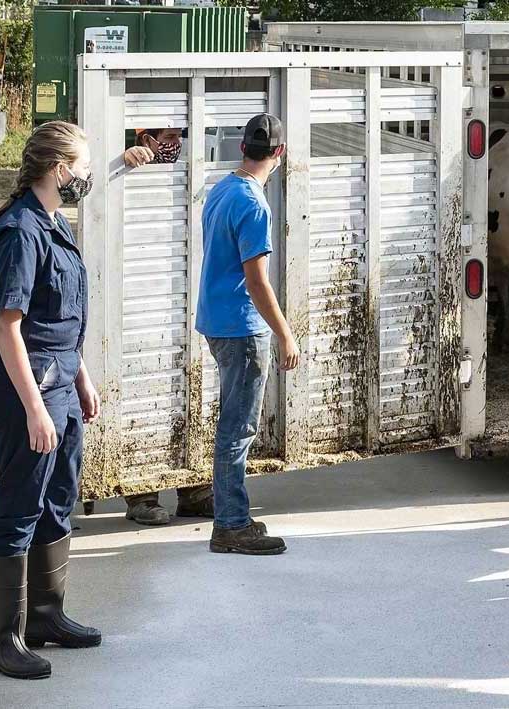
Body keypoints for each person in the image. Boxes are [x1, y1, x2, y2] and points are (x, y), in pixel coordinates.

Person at [0, 121, 102, 680]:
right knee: (19, 505)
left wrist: (81, 378)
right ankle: (3, 641)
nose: (86, 176)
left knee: (57, 496)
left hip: (60, 383)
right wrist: (33, 408)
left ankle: (45, 617)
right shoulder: (20, 232)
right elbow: (9, 327)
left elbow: (64, 319)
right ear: (59, 171)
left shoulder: (54, 223)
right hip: (28, 388)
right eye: (82, 165)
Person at [196, 113, 300, 555]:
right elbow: (256, 281)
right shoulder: (255, 205)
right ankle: (231, 525)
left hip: (216, 321)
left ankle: (232, 513)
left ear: (243, 148)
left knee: (233, 424)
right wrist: (285, 334)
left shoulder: (223, 189)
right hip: (242, 327)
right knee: (238, 427)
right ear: (278, 154)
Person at [119, 126, 215, 526]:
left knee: (194, 388)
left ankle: (195, 489)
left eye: (178, 133)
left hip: (185, 280)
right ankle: (141, 492)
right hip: (140, 286)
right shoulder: (124, 160)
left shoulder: (193, 163)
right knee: (144, 390)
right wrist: (124, 162)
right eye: (165, 135)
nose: (172, 142)